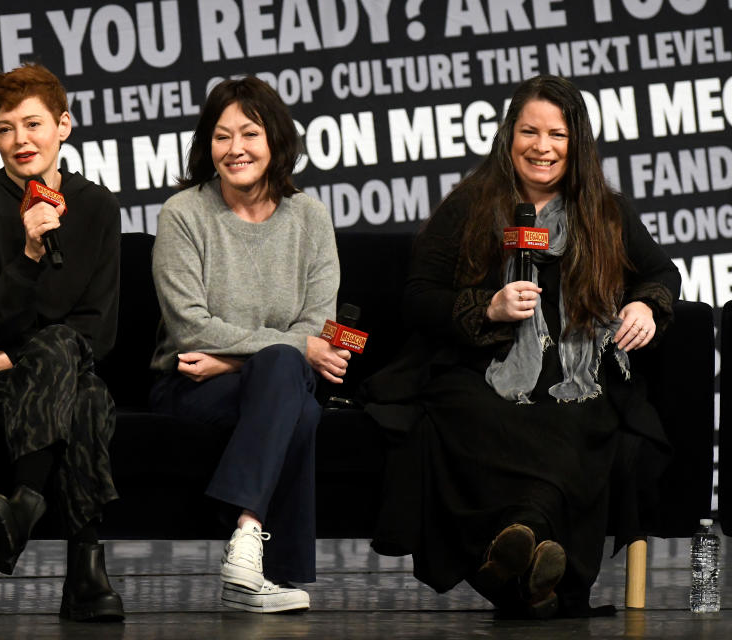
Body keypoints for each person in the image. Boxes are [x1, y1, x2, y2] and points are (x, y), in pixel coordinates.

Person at [361, 74, 680, 619]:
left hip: (575, 381)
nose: (542, 146)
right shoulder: (471, 205)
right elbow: (417, 298)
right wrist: (487, 308)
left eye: (556, 134)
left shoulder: (606, 212)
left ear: (575, 143)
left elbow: (660, 273)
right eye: (529, 131)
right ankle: (536, 571)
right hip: (482, 374)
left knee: (570, 420)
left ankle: (520, 556)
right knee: (469, 414)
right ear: (509, 136)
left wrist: (645, 305)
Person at [0, 63, 124, 622]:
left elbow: (98, 330)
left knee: (72, 369)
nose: (19, 141)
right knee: (85, 397)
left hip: (28, 363)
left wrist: (19, 354)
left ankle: (23, 505)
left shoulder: (100, 208)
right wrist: (29, 257)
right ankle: (86, 573)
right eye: (4, 129)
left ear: (64, 126)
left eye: (32, 124)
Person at [148, 76, 349, 614]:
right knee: (296, 400)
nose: (235, 149)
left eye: (249, 133)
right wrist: (276, 353)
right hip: (192, 385)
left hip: (242, 375)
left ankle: (245, 541)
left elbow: (319, 325)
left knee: (286, 373)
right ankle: (263, 567)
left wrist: (232, 359)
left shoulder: (310, 217)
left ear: (276, 140)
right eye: (221, 136)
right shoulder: (183, 214)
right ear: (206, 146)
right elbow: (190, 327)